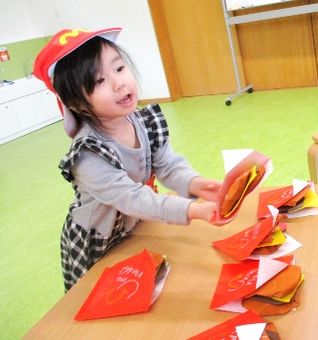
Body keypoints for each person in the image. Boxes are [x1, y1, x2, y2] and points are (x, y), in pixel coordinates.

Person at [33, 28, 222, 292]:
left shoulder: (144, 122)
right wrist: (191, 209)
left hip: (133, 225)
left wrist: (196, 184)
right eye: (99, 81)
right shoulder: (88, 156)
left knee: (145, 289)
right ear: (77, 103)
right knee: (100, 301)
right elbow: (133, 198)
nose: (119, 83)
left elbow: (167, 164)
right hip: (96, 242)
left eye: (119, 68)